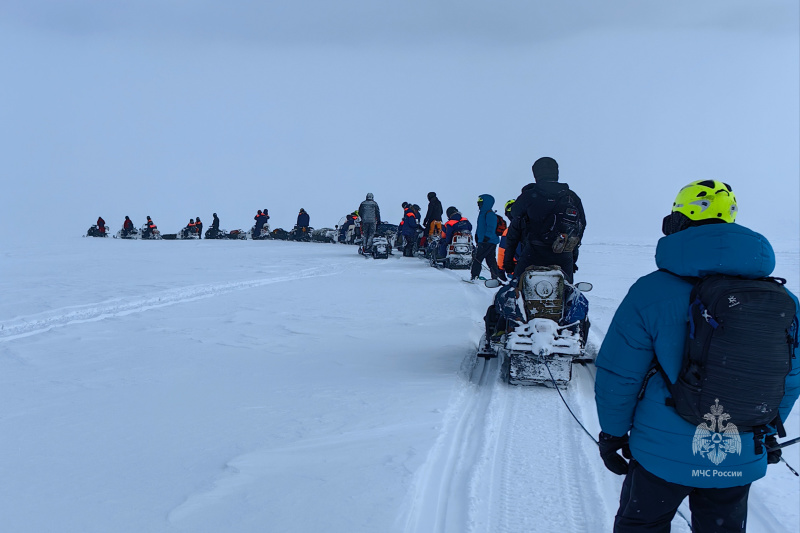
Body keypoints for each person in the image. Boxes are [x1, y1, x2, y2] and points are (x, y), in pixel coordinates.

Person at [594, 180, 800, 532]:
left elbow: (619, 375)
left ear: (679, 221)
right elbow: (788, 377)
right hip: (739, 448)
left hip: (661, 455)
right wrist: (765, 429)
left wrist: (613, 434)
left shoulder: (651, 291)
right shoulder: (785, 302)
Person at [504, 157, 586, 284]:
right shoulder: (572, 197)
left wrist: (508, 262)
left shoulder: (528, 196)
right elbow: (579, 229)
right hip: (563, 255)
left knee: (516, 289)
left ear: (536, 174)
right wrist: (572, 258)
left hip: (533, 254)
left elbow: (514, 230)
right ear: (556, 172)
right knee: (566, 293)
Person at [471, 194, 501, 281]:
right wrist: (477, 236)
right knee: (490, 259)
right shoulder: (483, 213)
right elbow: (480, 227)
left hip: (487, 241)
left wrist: (486, 238)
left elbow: (491, 227)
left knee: (478, 258)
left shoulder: (489, 214)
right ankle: (495, 276)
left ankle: (474, 276)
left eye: (480, 202)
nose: (478, 204)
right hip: (486, 241)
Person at [495, 200, 516, 282]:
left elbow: (502, 251)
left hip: (515, 269)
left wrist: (500, 269)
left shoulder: (508, 231)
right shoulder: (536, 226)